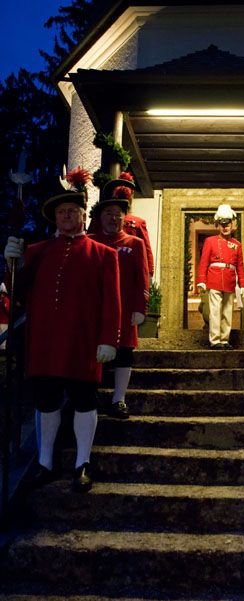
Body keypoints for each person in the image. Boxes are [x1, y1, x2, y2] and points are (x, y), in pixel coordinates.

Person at [4, 169, 121, 492]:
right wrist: (11, 263)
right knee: (46, 402)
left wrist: (109, 339)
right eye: (60, 212)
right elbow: (17, 294)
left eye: (72, 211)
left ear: (84, 215)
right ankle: (45, 463)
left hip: (83, 343)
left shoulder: (104, 254)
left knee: (85, 401)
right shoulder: (37, 252)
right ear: (54, 218)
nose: (66, 216)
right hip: (44, 343)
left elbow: (112, 301)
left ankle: (83, 462)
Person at [90, 177, 150, 419]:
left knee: (124, 353)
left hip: (125, 308)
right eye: (108, 213)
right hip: (96, 309)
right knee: (94, 352)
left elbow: (142, 277)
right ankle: (90, 396)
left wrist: (141, 307)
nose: (113, 218)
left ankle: (119, 399)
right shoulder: (91, 242)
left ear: (124, 217)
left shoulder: (134, 243)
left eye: (117, 214)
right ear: (100, 216)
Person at [197, 204, 244, 349]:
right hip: (214, 279)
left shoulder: (237, 244)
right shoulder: (210, 241)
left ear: (232, 224)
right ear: (218, 225)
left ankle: (225, 339)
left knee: (227, 312)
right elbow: (204, 261)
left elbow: (240, 266)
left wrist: (242, 284)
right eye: (222, 224)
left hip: (230, 280)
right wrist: (201, 280)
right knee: (215, 311)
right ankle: (215, 340)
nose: (225, 227)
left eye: (228, 223)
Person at [88, 172, 154, 278]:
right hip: (101, 263)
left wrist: (148, 272)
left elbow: (145, 250)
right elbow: (90, 241)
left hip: (126, 265)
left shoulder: (138, 222)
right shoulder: (99, 219)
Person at [0, 282, 10, 351]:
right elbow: (8, 310)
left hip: (2, 321)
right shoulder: (5, 300)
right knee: (3, 340)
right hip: (4, 322)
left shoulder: (1, 300)